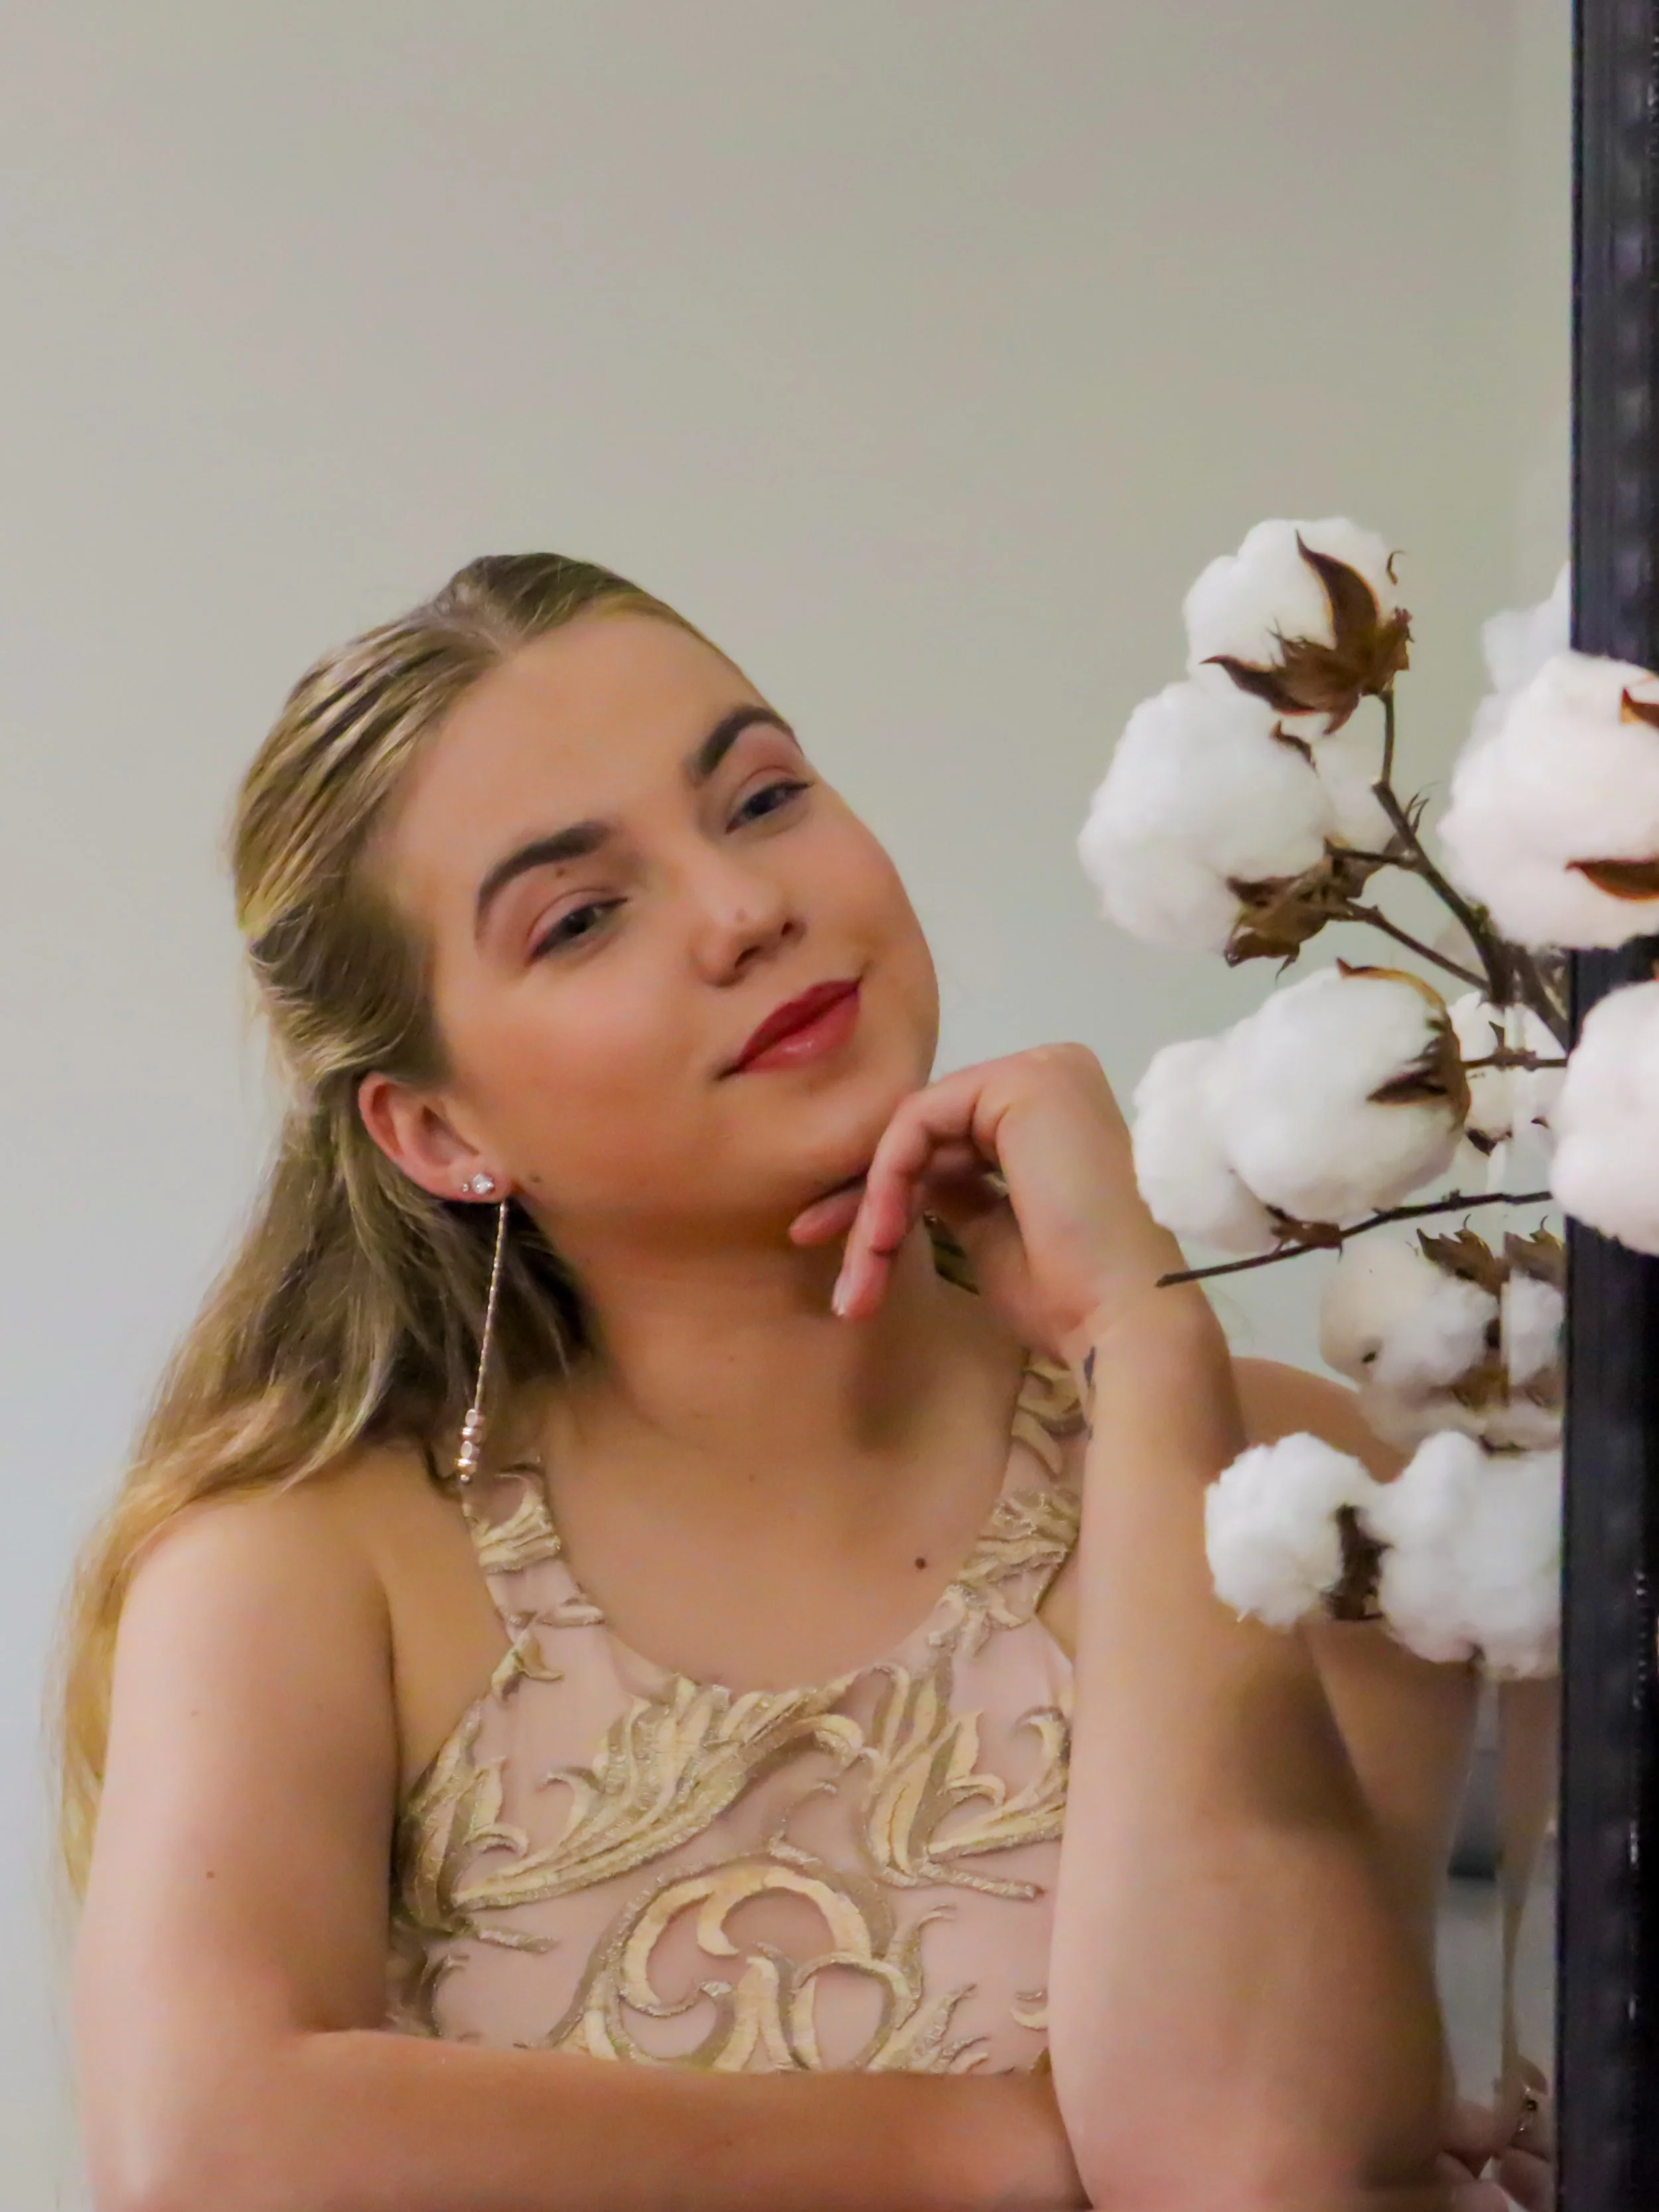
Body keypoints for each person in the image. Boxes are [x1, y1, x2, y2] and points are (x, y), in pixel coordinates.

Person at [64, 553, 1493, 2211]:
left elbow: (1257, 2169)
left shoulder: (1293, 1486)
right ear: (441, 1133)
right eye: (582, 916)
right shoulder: (312, 1565)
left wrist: (1149, 1343)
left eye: (759, 798)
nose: (746, 908)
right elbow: (204, 2153)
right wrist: (1004, 2142)